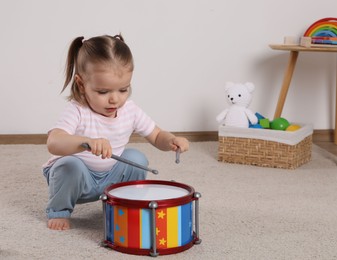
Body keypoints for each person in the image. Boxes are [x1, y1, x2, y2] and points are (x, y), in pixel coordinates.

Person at [42, 34, 189, 231]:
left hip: (111, 175)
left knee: (136, 157)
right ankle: (59, 210)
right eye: (103, 92)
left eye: (123, 90)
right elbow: (54, 142)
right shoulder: (77, 109)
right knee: (70, 165)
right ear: (81, 84)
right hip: (78, 179)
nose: (115, 99)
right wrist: (85, 141)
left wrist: (171, 140)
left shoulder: (130, 110)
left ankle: (124, 204)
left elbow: (156, 135)